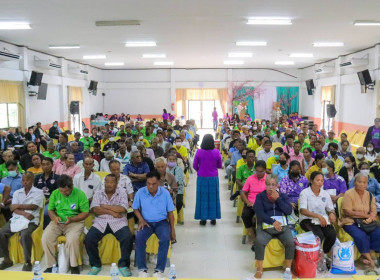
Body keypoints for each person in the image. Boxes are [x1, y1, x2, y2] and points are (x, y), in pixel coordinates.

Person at [85, 174, 133, 276]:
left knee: (127, 237)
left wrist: (105, 206)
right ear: (104, 183)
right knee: (89, 239)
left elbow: (122, 208)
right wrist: (112, 212)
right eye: (107, 182)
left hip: (118, 222)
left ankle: (123, 265)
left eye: (112, 182)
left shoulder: (122, 193)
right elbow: (95, 209)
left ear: (116, 184)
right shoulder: (98, 193)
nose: (109, 184)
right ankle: (96, 265)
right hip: (101, 222)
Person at [42, 175, 89, 274]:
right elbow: (50, 210)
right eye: (61, 191)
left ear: (71, 187)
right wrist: (54, 218)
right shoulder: (55, 193)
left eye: (66, 191)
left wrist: (72, 219)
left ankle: (74, 266)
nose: (63, 193)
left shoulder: (80, 194)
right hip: (57, 222)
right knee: (45, 238)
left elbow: (85, 213)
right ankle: (51, 265)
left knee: (72, 240)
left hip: (75, 221)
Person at [133, 171, 176, 278]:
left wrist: (173, 231)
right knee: (139, 238)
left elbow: (170, 213)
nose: (150, 186)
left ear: (159, 183)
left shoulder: (165, 193)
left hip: (161, 222)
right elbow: (135, 208)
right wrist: (141, 220)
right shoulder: (140, 192)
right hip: (146, 222)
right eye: (148, 183)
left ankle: (159, 270)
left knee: (165, 239)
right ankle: (142, 269)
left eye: (154, 184)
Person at [253, 174, 294, 279]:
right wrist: (273, 222)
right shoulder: (260, 196)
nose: (270, 187)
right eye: (268, 184)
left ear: (277, 186)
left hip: (282, 226)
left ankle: (288, 270)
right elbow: (259, 213)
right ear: (265, 185)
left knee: (290, 242)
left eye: (273, 184)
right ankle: (260, 269)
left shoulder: (283, 196)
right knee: (259, 241)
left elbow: (288, 211)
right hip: (266, 225)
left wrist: (278, 199)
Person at [0, 172, 44, 271]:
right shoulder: (17, 192)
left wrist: (18, 206)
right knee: (2, 233)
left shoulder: (38, 192)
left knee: (25, 235)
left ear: (32, 180)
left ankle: (27, 262)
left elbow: (34, 206)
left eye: (27, 180)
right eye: (23, 180)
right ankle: (7, 259)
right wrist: (25, 213)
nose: (25, 182)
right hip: (18, 218)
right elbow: (12, 208)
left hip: (32, 220)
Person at [339, 173, 380, 272]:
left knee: (378, 233)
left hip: (366, 222)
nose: (362, 184)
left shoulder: (369, 194)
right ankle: (370, 260)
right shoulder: (348, 193)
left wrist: (371, 217)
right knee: (361, 236)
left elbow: (374, 210)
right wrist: (366, 216)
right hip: (350, 221)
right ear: (354, 182)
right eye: (359, 182)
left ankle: (366, 255)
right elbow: (347, 212)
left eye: (364, 182)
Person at [299, 171, 337, 255]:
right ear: (311, 181)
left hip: (322, 219)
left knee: (332, 235)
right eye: (318, 180)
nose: (320, 182)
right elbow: (302, 210)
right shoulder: (305, 193)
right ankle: (315, 255)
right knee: (319, 235)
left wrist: (332, 214)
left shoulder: (325, 194)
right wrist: (318, 216)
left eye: (322, 180)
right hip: (307, 219)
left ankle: (324, 254)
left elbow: (331, 209)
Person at [193, 134, 222, 225]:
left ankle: (203, 219)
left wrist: (201, 170)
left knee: (202, 198)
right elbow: (219, 165)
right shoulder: (217, 152)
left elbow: (194, 165)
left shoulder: (199, 152)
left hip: (202, 178)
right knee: (213, 198)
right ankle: (213, 219)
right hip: (213, 178)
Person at [240, 160, 267, 247]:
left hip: (264, 204)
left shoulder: (268, 179)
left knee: (262, 217)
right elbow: (243, 192)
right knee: (245, 215)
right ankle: (254, 237)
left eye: (261, 171)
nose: (259, 173)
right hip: (251, 203)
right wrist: (247, 202)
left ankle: (263, 238)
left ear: (265, 170)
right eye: (257, 171)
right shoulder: (250, 178)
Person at [34, 157, 60, 228]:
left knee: (45, 213)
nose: (45, 166)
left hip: (51, 201)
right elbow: (34, 191)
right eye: (43, 164)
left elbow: (58, 194)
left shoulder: (58, 177)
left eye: (48, 164)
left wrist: (46, 201)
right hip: (38, 200)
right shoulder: (37, 177)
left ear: (52, 165)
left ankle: (45, 229)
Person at [166, 153, 185, 217]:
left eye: (173, 160)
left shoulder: (179, 169)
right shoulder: (164, 169)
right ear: (167, 160)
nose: (171, 161)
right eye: (170, 159)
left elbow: (177, 181)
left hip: (177, 190)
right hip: (165, 189)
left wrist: (171, 188)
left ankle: (175, 214)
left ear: (176, 161)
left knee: (179, 202)